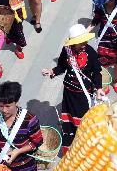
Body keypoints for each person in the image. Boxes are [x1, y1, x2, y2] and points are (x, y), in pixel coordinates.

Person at [42, 24, 107, 154]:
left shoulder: (90, 52)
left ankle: (84, 144)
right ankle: (70, 146)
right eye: (80, 42)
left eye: (84, 41)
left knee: (83, 121)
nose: (83, 44)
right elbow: (61, 66)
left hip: (83, 95)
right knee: (69, 120)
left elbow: (97, 72)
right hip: (69, 93)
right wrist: (52, 72)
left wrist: (99, 88)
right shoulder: (66, 51)